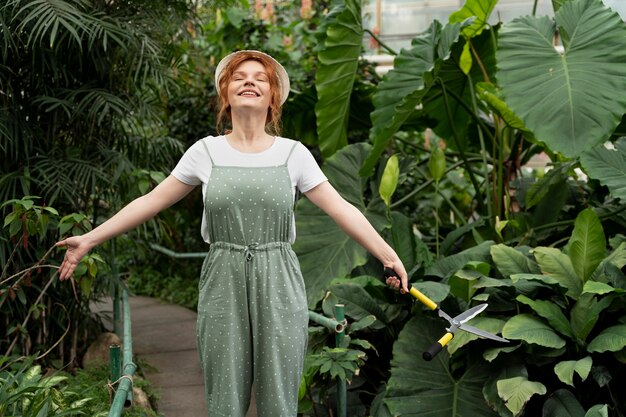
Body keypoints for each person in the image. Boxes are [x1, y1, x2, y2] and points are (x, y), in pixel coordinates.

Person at [56, 50, 408, 417]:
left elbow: (342, 209)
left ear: (273, 97)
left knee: (279, 395)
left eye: (261, 77)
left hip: (279, 278)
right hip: (223, 275)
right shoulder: (205, 151)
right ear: (225, 94)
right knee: (225, 394)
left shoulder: (294, 154)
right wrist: (90, 238)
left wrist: (388, 256)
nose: (249, 81)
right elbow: (151, 201)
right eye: (239, 77)